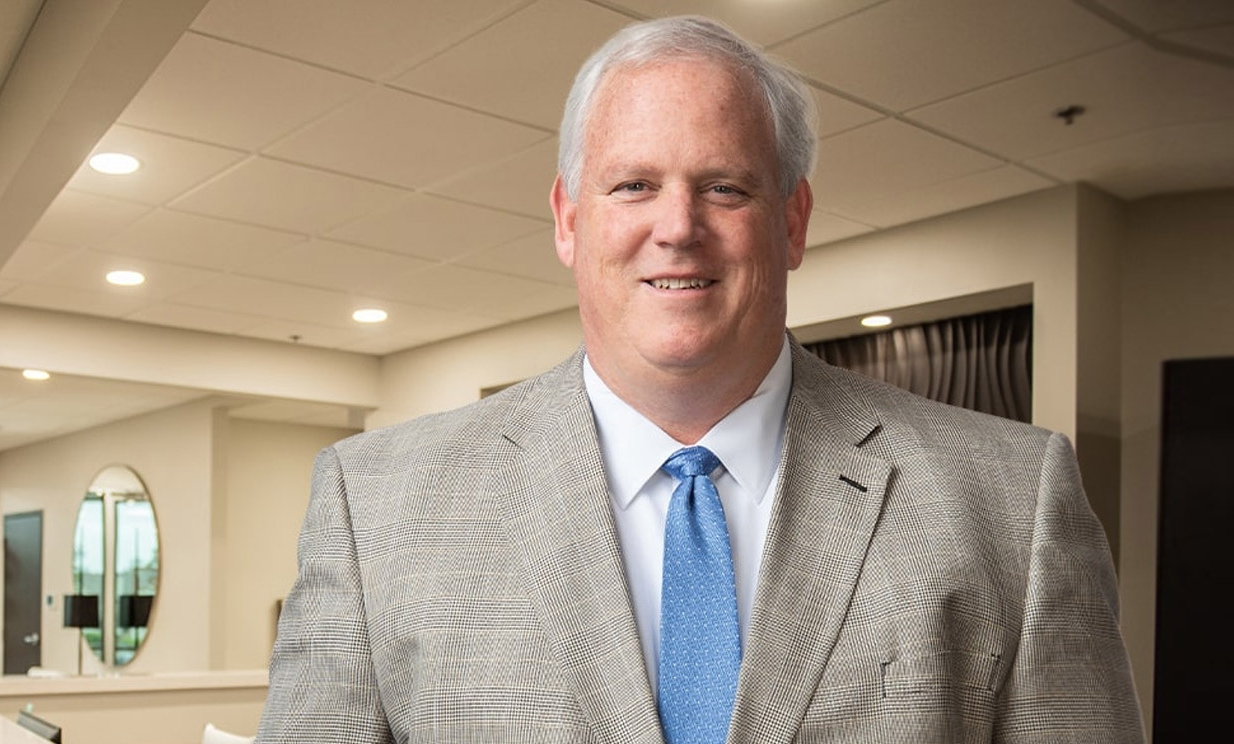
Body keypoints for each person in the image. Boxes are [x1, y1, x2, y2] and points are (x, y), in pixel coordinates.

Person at [255, 15, 1142, 744]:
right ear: (569, 220)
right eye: (633, 184)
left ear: (791, 221)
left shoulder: (1011, 501)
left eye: (724, 188)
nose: (677, 228)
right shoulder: (374, 511)